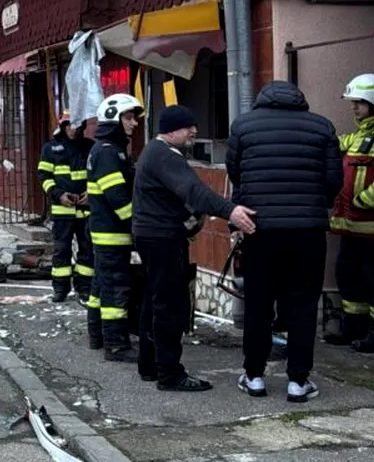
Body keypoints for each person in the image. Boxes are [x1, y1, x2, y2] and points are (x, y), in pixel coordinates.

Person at [226, 82, 341, 401]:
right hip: (308, 230)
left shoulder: (244, 126)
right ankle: (297, 381)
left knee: (259, 303)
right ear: (300, 100)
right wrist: (314, 203)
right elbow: (334, 180)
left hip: (259, 228)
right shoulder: (322, 126)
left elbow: (235, 172)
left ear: (263, 100)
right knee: (303, 303)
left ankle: (254, 377)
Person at [134, 105, 257, 392]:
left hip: (153, 236)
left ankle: (150, 365)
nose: (194, 132)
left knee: (154, 302)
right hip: (162, 238)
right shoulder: (165, 155)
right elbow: (193, 191)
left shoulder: (155, 152)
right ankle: (170, 374)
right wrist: (231, 211)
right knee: (170, 306)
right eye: (188, 127)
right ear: (171, 129)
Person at [86, 94, 143, 361]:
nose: (133, 124)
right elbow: (118, 198)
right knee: (115, 289)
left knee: (101, 286)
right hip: (112, 235)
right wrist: (138, 225)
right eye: (128, 118)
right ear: (114, 119)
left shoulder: (107, 149)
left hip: (105, 232)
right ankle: (117, 345)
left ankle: (97, 335)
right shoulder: (109, 152)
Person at [327, 73, 374, 354]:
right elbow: (334, 145)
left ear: (373, 102)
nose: (354, 108)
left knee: (371, 280)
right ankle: (353, 327)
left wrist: (364, 200)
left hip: (371, 228)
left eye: (358, 103)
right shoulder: (359, 135)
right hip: (349, 226)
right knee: (347, 276)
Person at [37, 111, 94, 304]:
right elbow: (44, 177)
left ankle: (84, 288)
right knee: (61, 250)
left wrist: (91, 194)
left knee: (88, 249)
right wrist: (59, 195)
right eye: (69, 125)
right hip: (62, 209)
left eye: (77, 125)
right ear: (63, 126)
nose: (73, 129)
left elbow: (97, 175)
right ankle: (60, 290)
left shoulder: (90, 147)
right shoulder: (50, 149)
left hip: (85, 208)